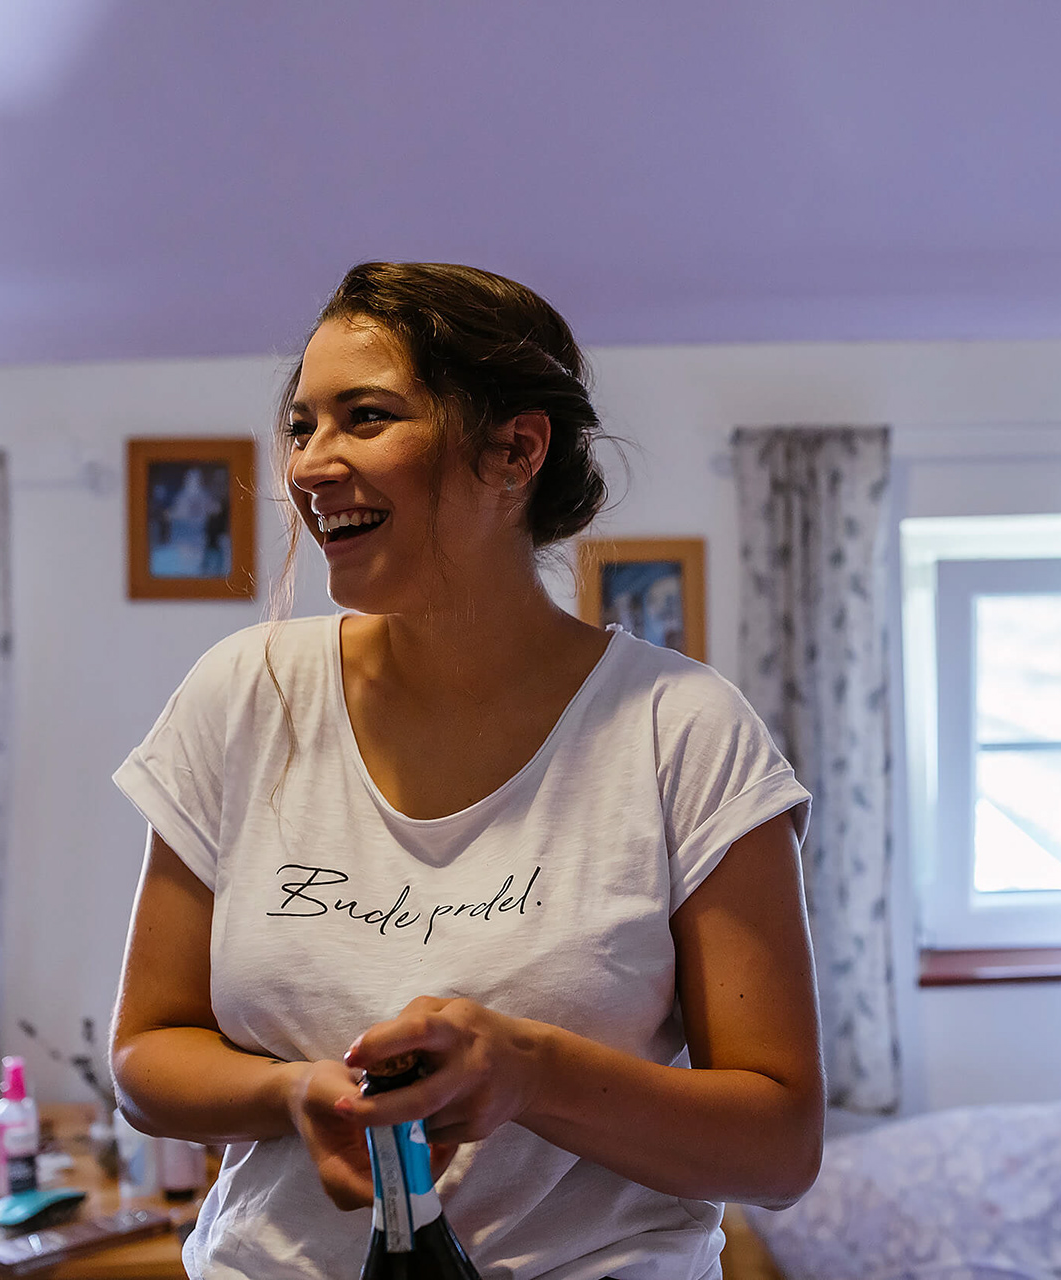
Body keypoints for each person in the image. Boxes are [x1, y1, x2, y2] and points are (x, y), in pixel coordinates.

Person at [109, 262, 824, 1279]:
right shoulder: (242, 693)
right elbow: (144, 1053)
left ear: (515, 449)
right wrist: (291, 1091)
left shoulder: (685, 731)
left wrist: (528, 1072)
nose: (310, 465)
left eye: (365, 417)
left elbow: (780, 1148)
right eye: (302, 426)